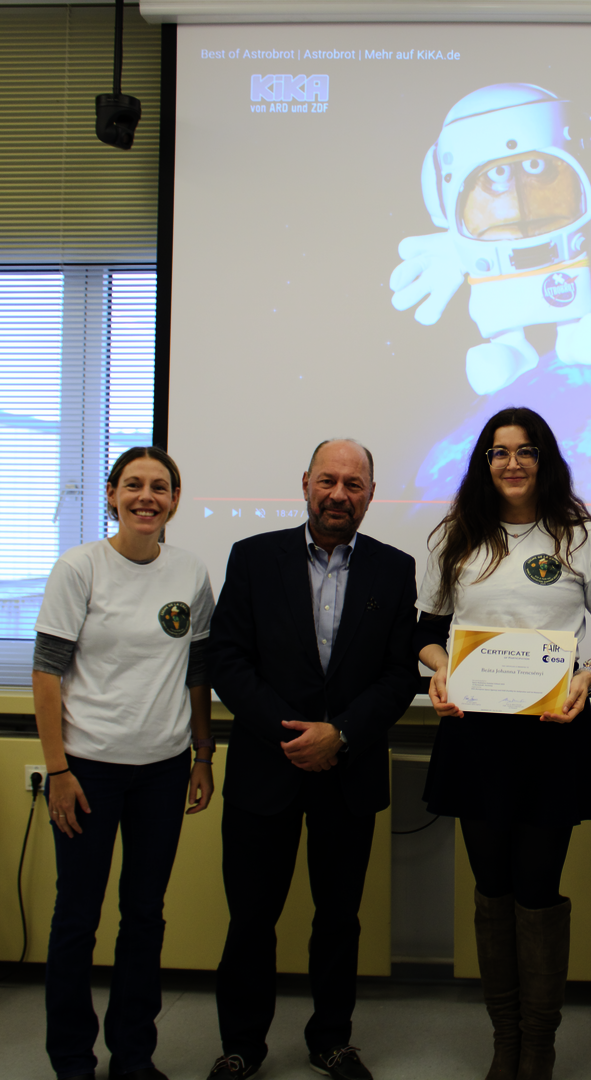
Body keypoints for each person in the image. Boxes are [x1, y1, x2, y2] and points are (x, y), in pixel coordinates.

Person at [416, 406, 591, 1080]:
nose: (512, 463)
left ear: (545, 460)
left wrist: (587, 677)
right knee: (492, 886)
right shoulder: (456, 538)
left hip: (551, 738)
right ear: (484, 462)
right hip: (475, 738)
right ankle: (504, 1040)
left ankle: (538, 1045)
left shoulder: (582, 537)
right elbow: (423, 634)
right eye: (499, 451)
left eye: (525, 450)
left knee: (537, 889)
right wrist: (440, 669)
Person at [204, 439, 418, 1080]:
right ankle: (242, 1045)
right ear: (305, 484)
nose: (338, 494)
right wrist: (296, 735)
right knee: (250, 918)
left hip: (349, 774)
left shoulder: (394, 568)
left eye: (354, 484)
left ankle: (331, 1040)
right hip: (264, 769)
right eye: (328, 480)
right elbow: (227, 660)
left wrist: (341, 734)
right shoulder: (252, 557)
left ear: (371, 495)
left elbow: (399, 674)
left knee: (339, 919)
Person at [32, 446, 217, 1080]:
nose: (146, 497)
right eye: (133, 485)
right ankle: (72, 1060)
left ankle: (134, 1056)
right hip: (87, 772)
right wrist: (58, 771)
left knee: (144, 916)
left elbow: (197, 671)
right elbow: (46, 674)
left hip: (163, 770)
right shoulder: (79, 568)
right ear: (112, 495)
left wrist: (202, 754)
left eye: (160, 487)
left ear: (175, 500)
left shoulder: (189, 572)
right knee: (77, 918)